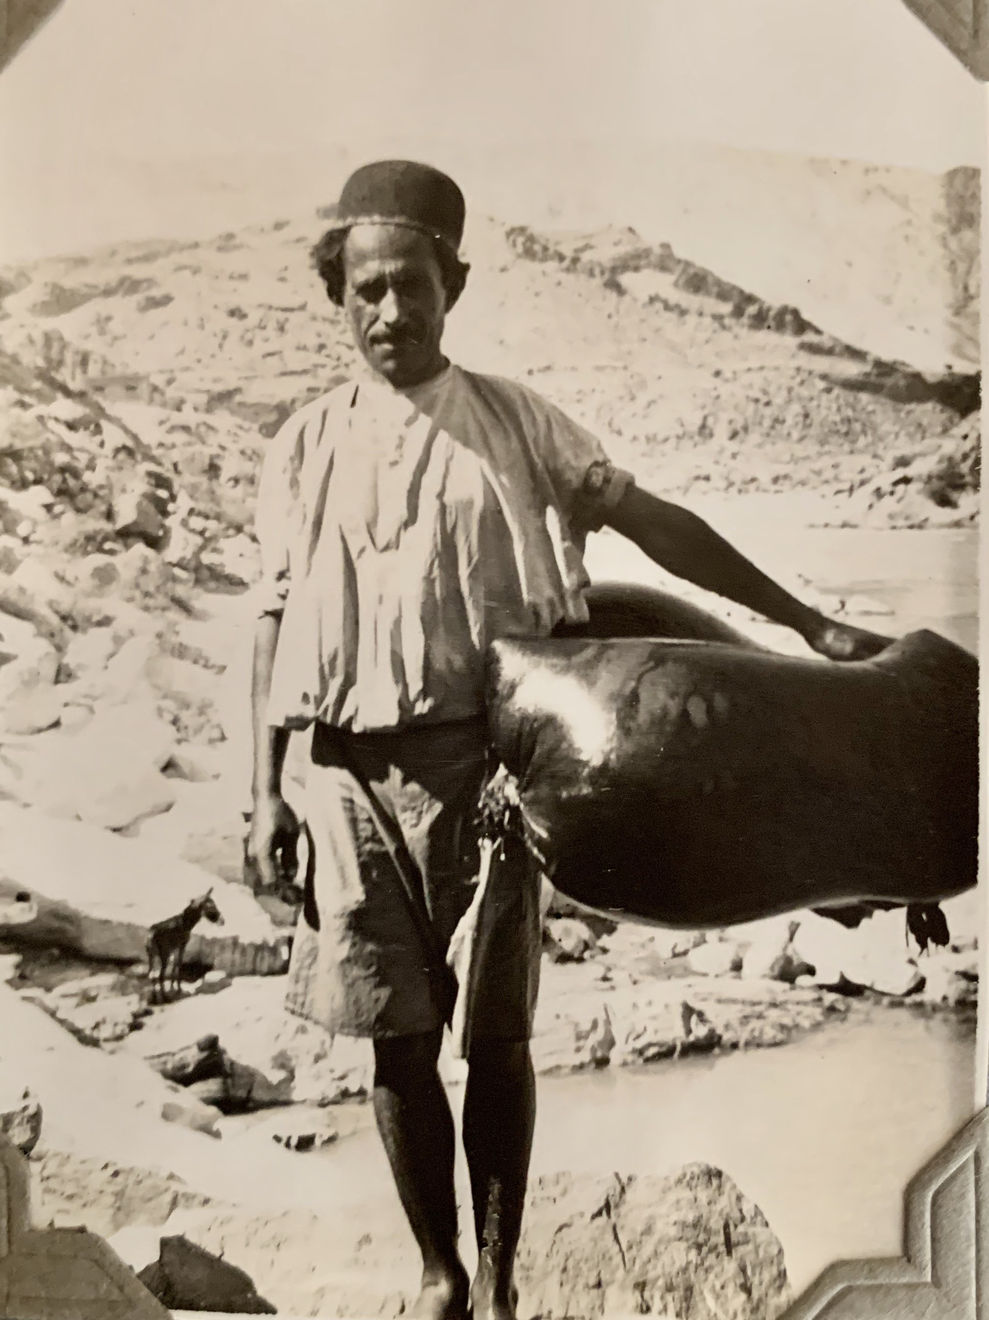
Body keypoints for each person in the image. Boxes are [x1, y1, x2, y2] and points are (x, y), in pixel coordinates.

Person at [246, 160, 889, 1320]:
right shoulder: (299, 446)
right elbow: (272, 616)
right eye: (363, 291)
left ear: (456, 284)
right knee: (392, 1041)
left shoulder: (514, 424)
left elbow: (656, 528)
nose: (388, 313)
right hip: (341, 776)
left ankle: (498, 1283)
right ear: (335, 296)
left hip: (496, 766)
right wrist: (263, 795)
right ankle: (437, 1274)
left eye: (411, 287)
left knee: (495, 1040)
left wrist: (801, 620)